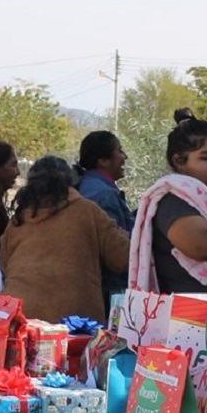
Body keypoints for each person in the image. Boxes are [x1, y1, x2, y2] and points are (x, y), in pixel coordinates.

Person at [128, 110, 207, 298]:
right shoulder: (174, 197)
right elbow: (200, 246)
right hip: (196, 310)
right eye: (205, 157)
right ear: (179, 162)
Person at [0, 156, 130, 324]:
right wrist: (123, 238)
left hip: (20, 315)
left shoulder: (19, 219)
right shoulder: (88, 211)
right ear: (70, 180)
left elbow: (5, 265)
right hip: (74, 320)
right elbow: (122, 258)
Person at [75, 131, 132, 307]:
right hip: (110, 291)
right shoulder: (104, 195)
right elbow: (112, 250)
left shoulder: (88, 186)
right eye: (119, 151)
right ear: (103, 160)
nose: (125, 157)